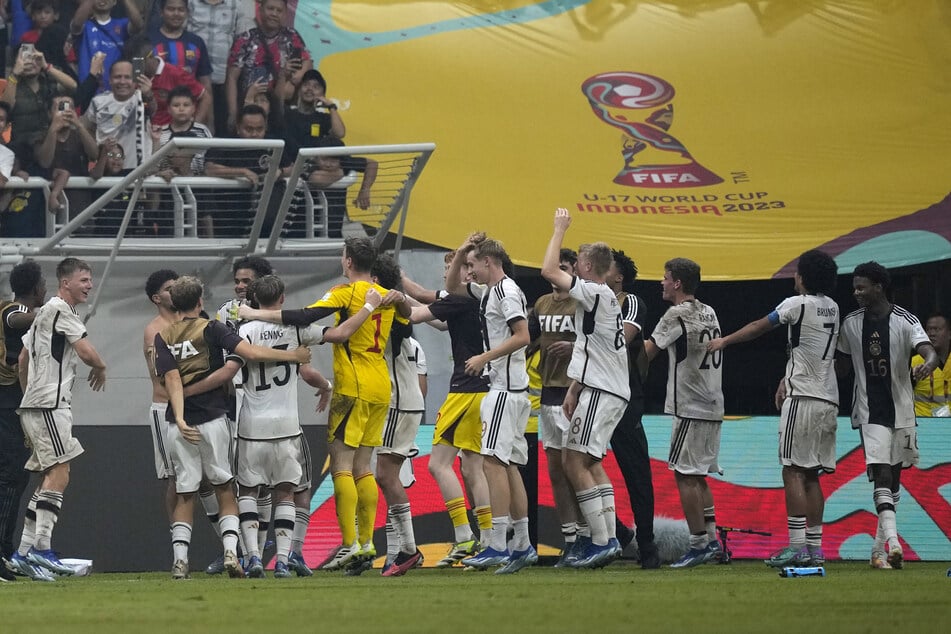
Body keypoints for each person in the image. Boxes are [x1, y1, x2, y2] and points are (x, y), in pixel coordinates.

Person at [237, 237, 410, 572]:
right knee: (364, 467)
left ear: (347, 262)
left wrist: (252, 312)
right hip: (380, 385)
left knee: (341, 464)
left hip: (353, 385)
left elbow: (305, 315)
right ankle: (369, 541)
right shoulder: (385, 294)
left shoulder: (347, 292)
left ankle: (350, 543)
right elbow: (408, 317)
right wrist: (399, 298)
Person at [152, 275, 311, 579]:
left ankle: (180, 561)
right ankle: (231, 553)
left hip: (177, 423)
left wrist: (181, 415)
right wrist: (292, 355)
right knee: (225, 487)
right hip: (213, 417)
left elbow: (170, 379)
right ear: (200, 302)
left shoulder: (164, 336)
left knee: (186, 493)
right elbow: (246, 356)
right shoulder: (211, 328)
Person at [228, 274, 380, 578]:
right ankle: (282, 561)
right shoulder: (296, 330)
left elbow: (231, 371)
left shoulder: (243, 331)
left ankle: (254, 557)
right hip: (287, 425)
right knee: (286, 492)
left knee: (248, 491)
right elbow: (340, 334)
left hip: (251, 425)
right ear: (282, 299)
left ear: (255, 300)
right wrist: (367, 307)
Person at [707, 249, 840, 568]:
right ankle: (815, 548)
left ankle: (796, 547)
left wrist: (725, 341)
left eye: (797, 272)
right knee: (811, 474)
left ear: (804, 277)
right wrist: (786, 375)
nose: (794, 276)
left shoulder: (797, 304)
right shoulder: (832, 307)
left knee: (792, 468)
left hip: (804, 397)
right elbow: (809, 348)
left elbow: (760, 326)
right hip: (829, 398)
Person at [541, 209, 630, 569]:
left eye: (578, 262)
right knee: (590, 462)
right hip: (603, 389)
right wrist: (574, 389)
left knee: (571, 460)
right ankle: (608, 541)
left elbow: (547, 270)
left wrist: (558, 228)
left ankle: (601, 540)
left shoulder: (594, 291)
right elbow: (591, 346)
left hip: (603, 390)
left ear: (589, 266)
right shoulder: (602, 297)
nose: (573, 266)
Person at [835, 261, 938, 570]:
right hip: (869, 410)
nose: (856, 292)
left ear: (878, 287)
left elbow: (928, 349)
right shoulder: (851, 323)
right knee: (881, 474)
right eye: (854, 287)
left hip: (903, 410)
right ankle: (894, 543)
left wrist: (928, 363)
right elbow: (840, 366)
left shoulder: (905, 320)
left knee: (893, 483)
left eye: (861, 287)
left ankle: (879, 551)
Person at [10, 257, 107, 581]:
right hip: (50, 405)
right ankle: (41, 547)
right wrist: (101, 366)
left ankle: (23, 554)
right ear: (65, 282)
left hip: (37, 404)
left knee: (49, 476)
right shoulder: (60, 309)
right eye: (84, 279)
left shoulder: (43, 314)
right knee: (61, 472)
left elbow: (22, 359)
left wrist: (28, 395)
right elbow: (85, 351)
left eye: (90, 279)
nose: (89, 284)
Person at [443, 233, 533, 573]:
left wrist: (484, 357)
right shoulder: (491, 292)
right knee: (507, 465)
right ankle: (522, 543)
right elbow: (453, 287)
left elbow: (522, 336)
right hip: (510, 388)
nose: (469, 271)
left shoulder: (507, 291)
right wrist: (464, 246)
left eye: (473, 264)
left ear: (489, 263)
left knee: (492, 463)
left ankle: (497, 543)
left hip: (505, 390)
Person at [401, 253, 492, 568]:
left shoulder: (462, 297)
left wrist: (385, 291)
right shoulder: (480, 297)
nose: (447, 276)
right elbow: (437, 318)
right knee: (472, 468)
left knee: (439, 464)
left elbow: (417, 311)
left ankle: (465, 535)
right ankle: (489, 541)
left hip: (466, 389)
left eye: (454, 269)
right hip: (486, 387)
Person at [642, 257, 724, 568]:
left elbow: (648, 353)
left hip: (690, 405)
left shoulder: (676, 314)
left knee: (685, 475)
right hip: (713, 402)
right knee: (698, 475)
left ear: (677, 283)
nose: (661, 283)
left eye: (665, 278)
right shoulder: (709, 310)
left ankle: (698, 544)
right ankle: (712, 541)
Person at [370, 255, 424, 576]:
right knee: (386, 476)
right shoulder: (375, 306)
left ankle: (407, 549)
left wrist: (401, 297)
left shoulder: (391, 308)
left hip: (398, 399)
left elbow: (406, 316)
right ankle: (400, 551)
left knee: (385, 475)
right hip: (393, 399)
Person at [529, 247, 582, 565]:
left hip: (576, 394)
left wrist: (575, 347)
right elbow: (528, 338)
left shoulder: (584, 301)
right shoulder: (541, 304)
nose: (554, 274)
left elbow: (601, 342)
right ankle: (571, 540)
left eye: (561, 267)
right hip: (548, 393)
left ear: (573, 269)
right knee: (557, 474)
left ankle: (594, 537)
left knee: (578, 471)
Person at [606, 248, 659, 569]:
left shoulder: (631, 302)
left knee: (636, 473)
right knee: (574, 465)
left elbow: (622, 339)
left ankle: (647, 543)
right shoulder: (589, 302)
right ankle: (615, 534)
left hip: (625, 397)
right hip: (592, 394)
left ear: (619, 276)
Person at [0, 260, 46, 582]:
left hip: (16, 405)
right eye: (44, 285)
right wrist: (51, 312)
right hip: (5, 405)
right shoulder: (11, 308)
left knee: (16, 478)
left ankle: (5, 550)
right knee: (11, 477)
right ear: (35, 288)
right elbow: (17, 319)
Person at [203, 104, 292, 238]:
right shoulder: (225, 143)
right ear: (238, 128)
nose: (255, 134)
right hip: (230, 216)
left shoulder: (274, 144)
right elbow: (210, 169)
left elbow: (292, 167)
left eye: (259, 129)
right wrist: (242, 172)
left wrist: (279, 171)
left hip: (263, 218)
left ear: (266, 126)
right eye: (249, 129)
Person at [225, 0, 311, 133]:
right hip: (249, 108)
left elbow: (307, 62)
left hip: (280, 109)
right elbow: (232, 78)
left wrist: (294, 79)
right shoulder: (245, 39)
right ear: (260, 10)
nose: (274, 14)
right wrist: (232, 113)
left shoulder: (292, 37)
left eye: (279, 10)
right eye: (270, 9)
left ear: (285, 14)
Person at [185, 0, 255, 137]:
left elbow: (242, 42)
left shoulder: (235, 5)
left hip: (223, 81)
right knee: (192, 131)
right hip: (193, 81)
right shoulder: (190, 3)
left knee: (221, 131)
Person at [142, 269, 179, 524]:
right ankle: (178, 542)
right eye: (169, 288)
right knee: (175, 478)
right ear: (157, 298)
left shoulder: (193, 321)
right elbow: (163, 376)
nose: (175, 291)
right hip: (166, 410)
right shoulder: (154, 331)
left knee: (212, 477)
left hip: (197, 408)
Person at [125, 34, 209, 127]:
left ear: (151, 56)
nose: (136, 68)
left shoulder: (175, 74)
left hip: (171, 133)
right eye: (133, 63)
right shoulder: (131, 76)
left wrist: (194, 127)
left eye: (139, 63)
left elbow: (205, 97)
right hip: (141, 130)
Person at [83, 59, 152, 170]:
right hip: (106, 170)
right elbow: (87, 128)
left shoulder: (141, 98)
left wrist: (148, 94)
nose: (122, 81)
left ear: (134, 80)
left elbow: (152, 109)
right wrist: (97, 149)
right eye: (117, 77)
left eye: (127, 77)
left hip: (137, 169)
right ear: (110, 80)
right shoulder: (98, 101)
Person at [35, 93, 99, 213]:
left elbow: (94, 155)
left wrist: (79, 125)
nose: (65, 112)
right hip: (48, 208)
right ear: (49, 114)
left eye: (70, 108)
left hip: (80, 205)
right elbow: (45, 162)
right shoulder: (41, 136)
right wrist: (53, 129)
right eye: (60, 108)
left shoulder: (80, 135)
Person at [70, 0, 144, 89]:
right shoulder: (85, 25)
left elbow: (138, 24)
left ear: (114, 2)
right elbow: (76, 24)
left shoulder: (122, 24)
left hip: (117, 92)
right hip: (88, 92)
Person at [149, 0, 212, 99]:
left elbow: (205, 81)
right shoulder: (148, 41)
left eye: (181, 10)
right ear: (161, 12)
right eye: (171, 9)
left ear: (187, 12)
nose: (176, 14)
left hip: (189, 109)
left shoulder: (197, 42)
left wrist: (209, 114)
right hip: (157, 110)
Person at [912, 313, 950, 417]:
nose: (931, 333)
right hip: (924, 424)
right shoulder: (914, 363)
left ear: (949, 333)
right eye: (928, 330)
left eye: (937, 329)